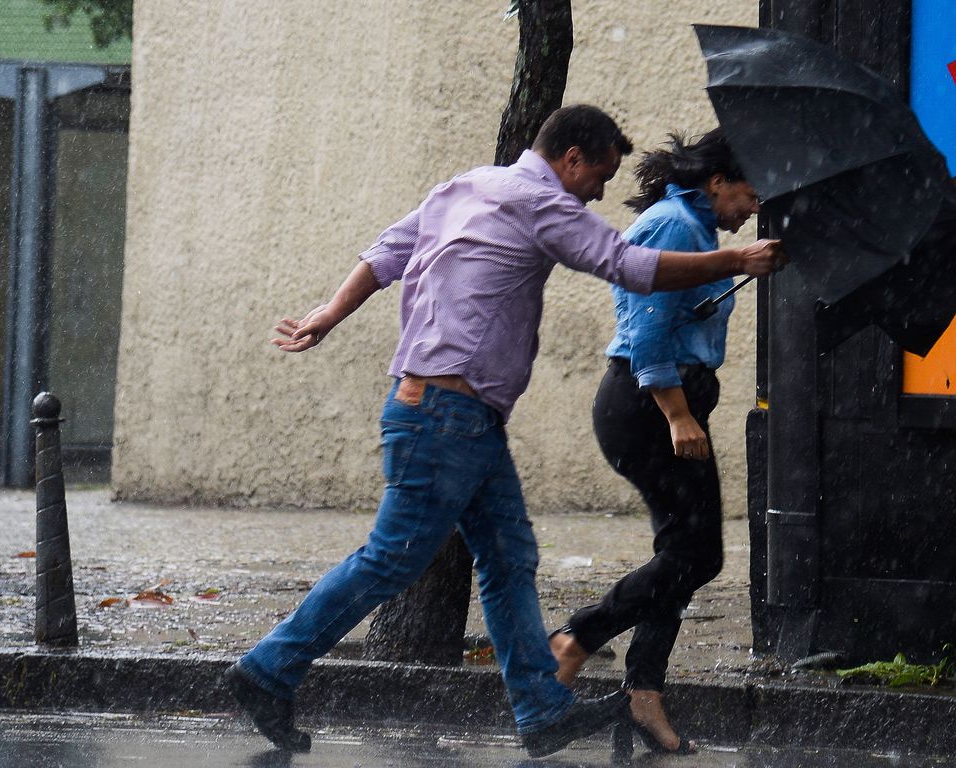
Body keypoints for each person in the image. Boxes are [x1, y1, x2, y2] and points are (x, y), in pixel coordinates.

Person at [224, 107, 785, 758]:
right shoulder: (542, 204)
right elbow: (631, 267)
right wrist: (736, 258)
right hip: (444, 412)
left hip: (462, 416)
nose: (601, 193)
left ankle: (542, 709)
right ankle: (267, 668)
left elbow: (385, 256)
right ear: (571, 158)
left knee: (509, 560)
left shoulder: (467, 186)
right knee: (392, 559)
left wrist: (328, 313)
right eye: (599, 176)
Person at [548, 128, 762, 757]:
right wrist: (676, 412)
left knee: (683, 553)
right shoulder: (674, 226)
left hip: (665, 404)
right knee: (698, 557)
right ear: (717, 181)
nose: (753, 208)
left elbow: (687, 311)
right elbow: (644, 328)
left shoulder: (696, 233)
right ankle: (576, 640)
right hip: (647, 408)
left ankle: (643, 696)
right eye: (750, 193)